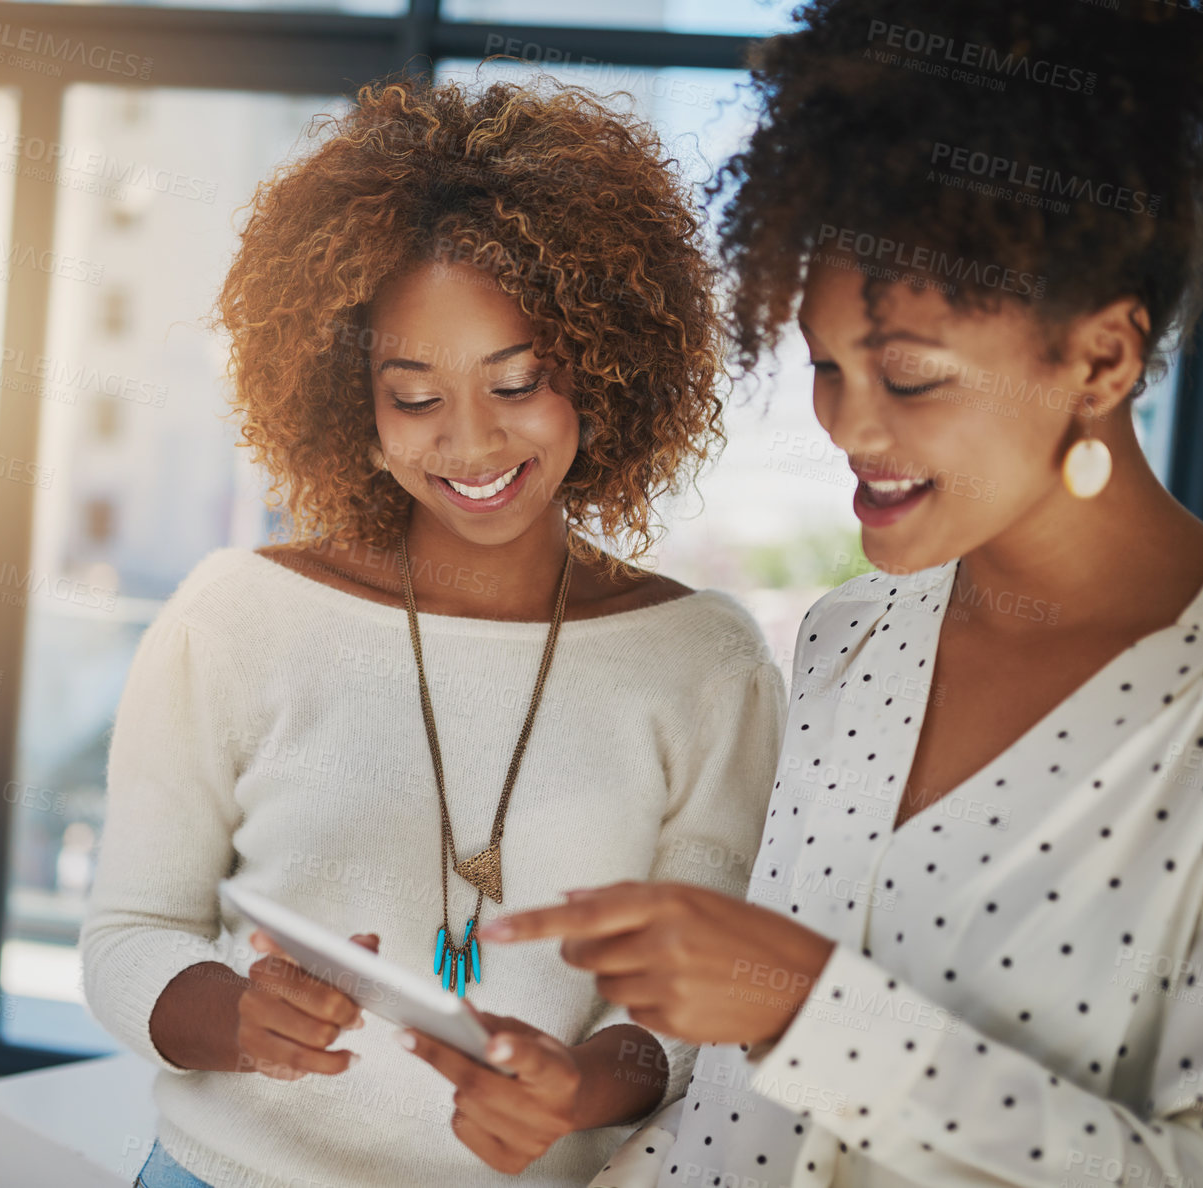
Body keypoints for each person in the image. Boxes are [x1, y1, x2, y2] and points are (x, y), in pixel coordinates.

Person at [479, 2, 1203, 1185]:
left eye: (909, 377)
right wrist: (594, 1080)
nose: (848, 427)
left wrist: (810, 1006)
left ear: (1104, 359)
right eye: (824, 364)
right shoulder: (849, 638)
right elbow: (730, 1057)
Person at [79, 75, 785, 1188]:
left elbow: (687, 1019)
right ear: (345, 395)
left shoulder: (706, 662)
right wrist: (238, 1018)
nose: (469, 442)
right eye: (414, 397)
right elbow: (130, 931)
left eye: (518, 382)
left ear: (604, 367)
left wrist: (575, 1089)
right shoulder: (237, 615)